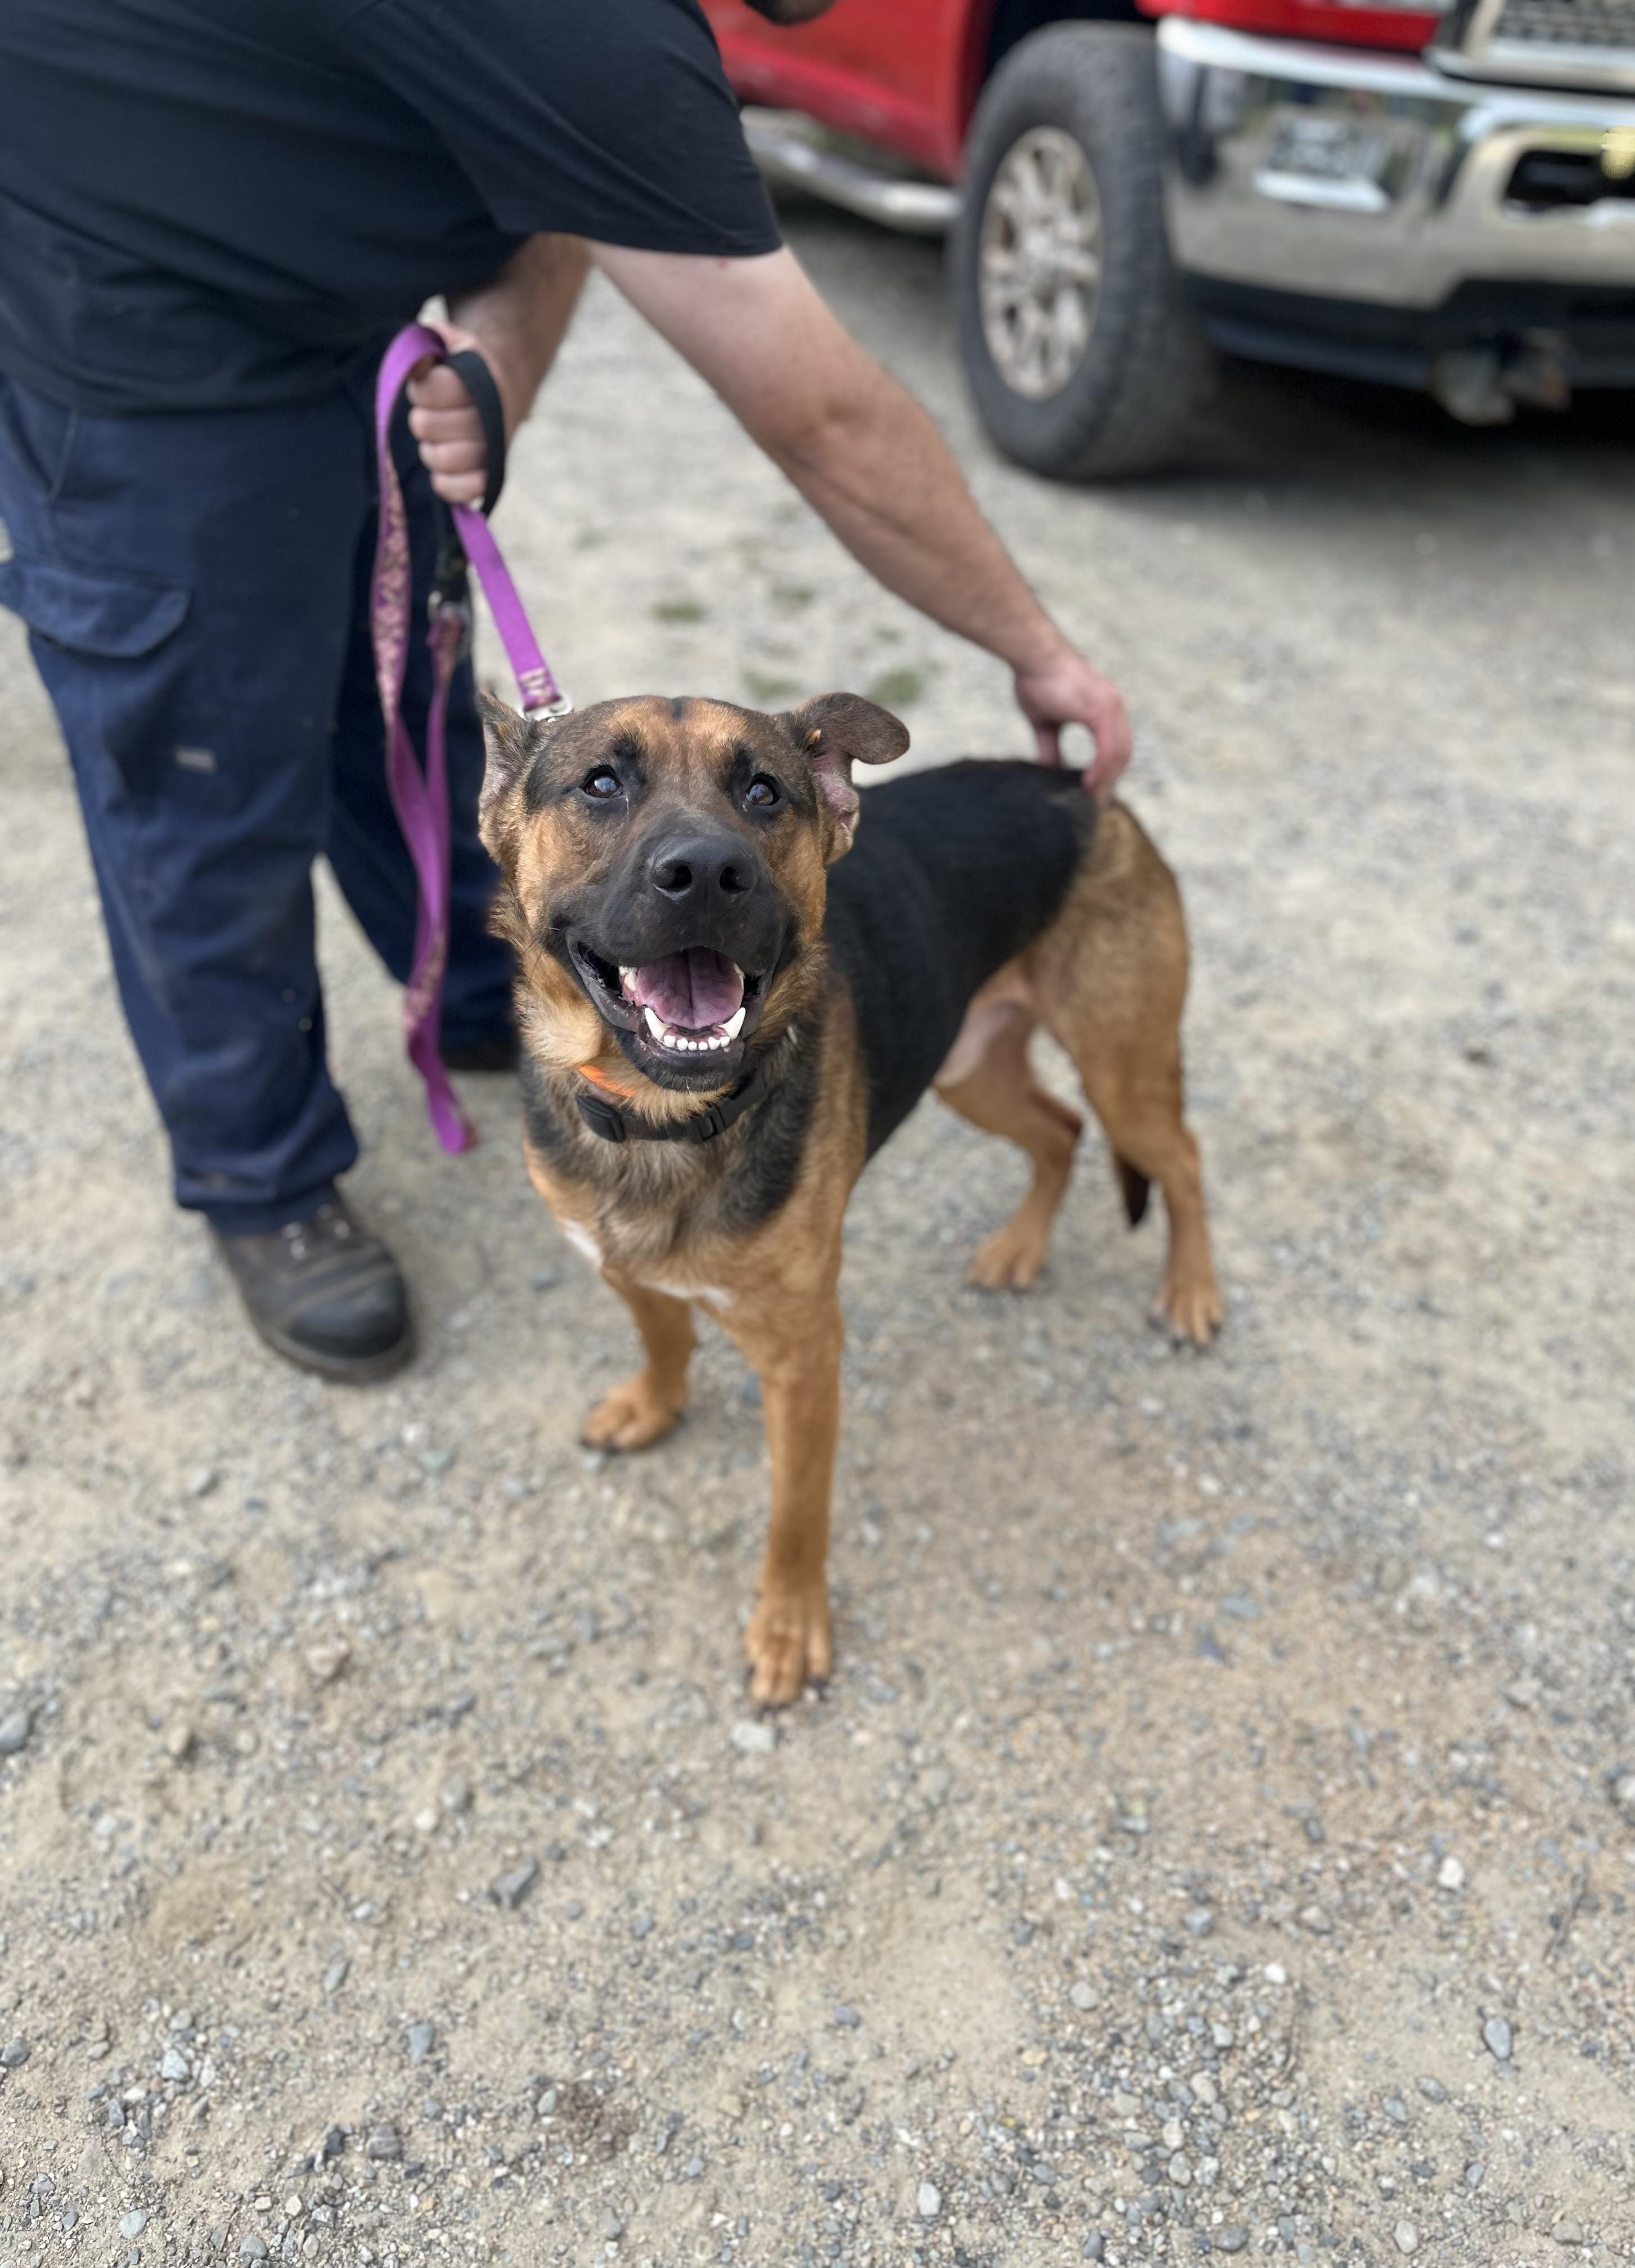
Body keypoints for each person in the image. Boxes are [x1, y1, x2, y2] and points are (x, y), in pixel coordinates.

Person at [0, 0, 1133, 1384]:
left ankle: (513, 991)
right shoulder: (600, 26)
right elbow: (824, 417)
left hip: (345, 338)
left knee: (398, 705)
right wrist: (1037, 649)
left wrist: (504, 363)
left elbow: (553, 193)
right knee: (202, 786)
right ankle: (262, 1178)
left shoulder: (602, 47)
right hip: (124, 349)